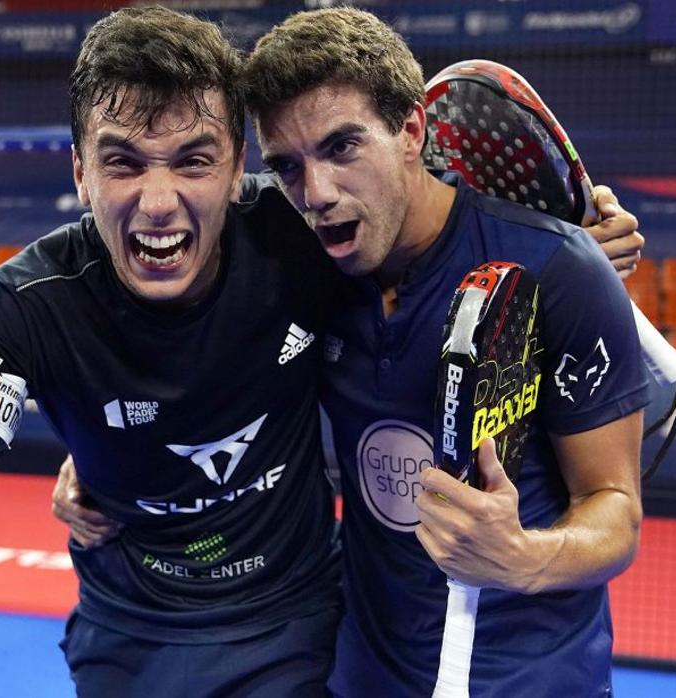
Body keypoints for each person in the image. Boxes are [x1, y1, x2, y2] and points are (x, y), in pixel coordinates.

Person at [0, 7, 346, 696]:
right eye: (123, 163)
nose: (159, 201)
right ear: (81, 174)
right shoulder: (23, 310)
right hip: (130, 640)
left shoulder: (303, 234)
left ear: (236, 170)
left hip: (306, 618)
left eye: (194, 160)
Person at [239, 8, 650, 696]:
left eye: (342, 148)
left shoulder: (556, 267)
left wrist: (521, 558)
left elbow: (615, 509)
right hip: (364, 673)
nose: (317, 193)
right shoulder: (301, 260)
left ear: (410, 130)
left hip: (528, 678)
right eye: (287, 166)